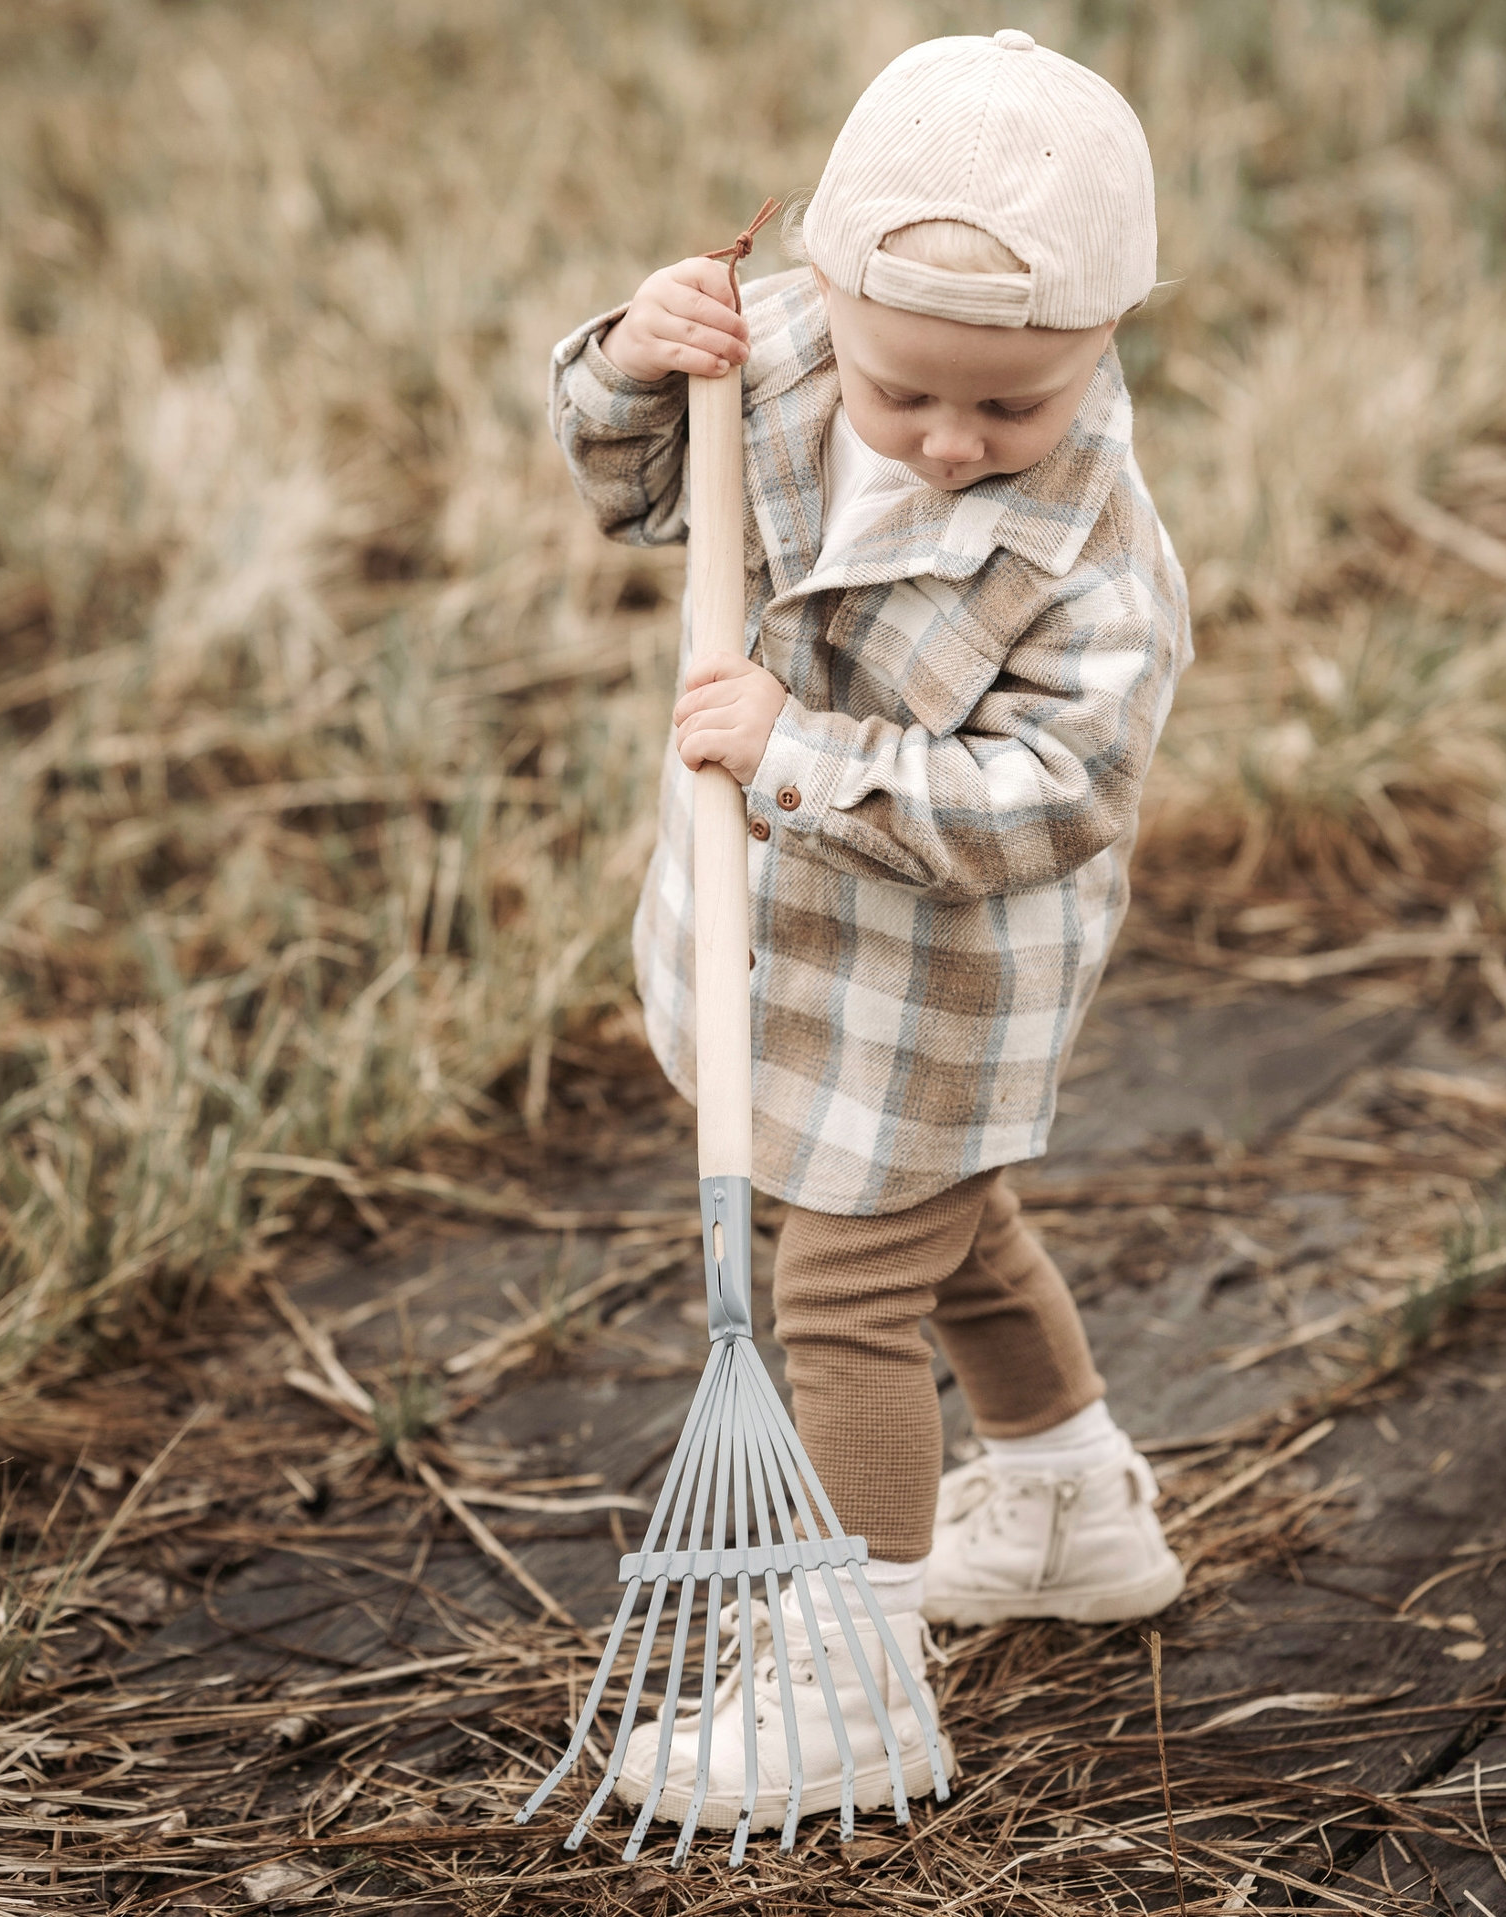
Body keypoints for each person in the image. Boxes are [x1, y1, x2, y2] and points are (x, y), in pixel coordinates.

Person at [547, 29, 1193, 1828]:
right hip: (763, 944)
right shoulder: (774, 365)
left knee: (840, 1294)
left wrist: (801, 755)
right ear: (825, 294)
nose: (952, 439)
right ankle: (1069, 1511)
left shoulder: (1094, 563)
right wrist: (629, 361)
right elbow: (629, 487)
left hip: (933, 990)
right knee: (957, 1235)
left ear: (1106, 339)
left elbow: (1053, 795)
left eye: (1015, 406)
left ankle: (853, 1679)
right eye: (906, 390)